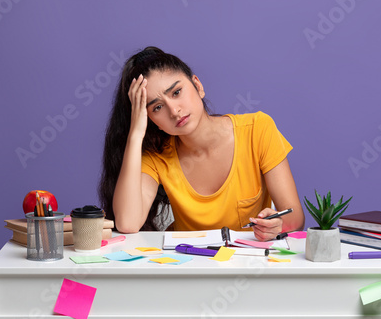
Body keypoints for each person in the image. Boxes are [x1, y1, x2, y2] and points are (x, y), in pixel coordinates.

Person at [99, 46, 304, 241]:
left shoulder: (258, 130)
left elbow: (295, 219)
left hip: (249, 266)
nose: (174, 111)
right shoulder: (157, 157)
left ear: (198, 85)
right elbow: (127, 222)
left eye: (176, 92)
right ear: (149, 119)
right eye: (157, 107)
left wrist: (276, 225)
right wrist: (135, 133)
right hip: (188, 270)